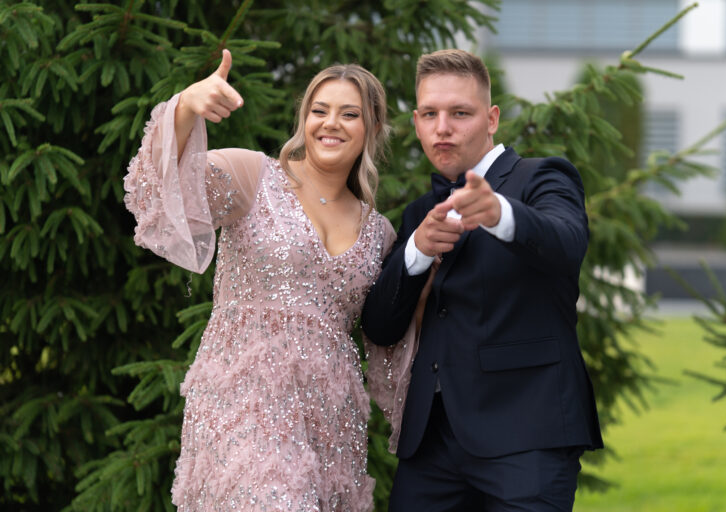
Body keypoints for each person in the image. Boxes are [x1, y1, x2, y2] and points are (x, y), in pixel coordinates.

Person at [124, 49, 395, 511]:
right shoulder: (254, 175)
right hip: (244, 406)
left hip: (329, 424)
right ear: (303, 119)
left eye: (349, 114)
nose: (331, 123)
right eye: (319, 110)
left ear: (373, 127)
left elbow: (392, 333)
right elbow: (161, 191)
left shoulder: (379, 233)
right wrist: (186, 107)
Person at [362, 49, 603, 511]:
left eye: (460, 113)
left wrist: (499, 213)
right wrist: (416, 251)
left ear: (491, 119)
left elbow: (567, 243)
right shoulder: (418, 214)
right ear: (416, 124)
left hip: (528, 437)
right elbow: (380, 326)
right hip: (431, 448)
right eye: (429, 114)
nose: (442, 128)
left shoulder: (542, 176)